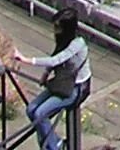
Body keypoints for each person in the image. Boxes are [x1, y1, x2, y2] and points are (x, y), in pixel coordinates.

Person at [19, 11, 92, 150]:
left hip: (76, 89)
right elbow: (56, 55)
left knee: (40, 113)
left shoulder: (78, 44)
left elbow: (56, 60)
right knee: (31, 110)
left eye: (58, 26)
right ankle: (48, 143)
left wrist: (26, 60)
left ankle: (54, 146)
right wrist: (46, 74)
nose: (55, 29)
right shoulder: (63, 40)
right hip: (63, 84)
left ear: (67, 28)